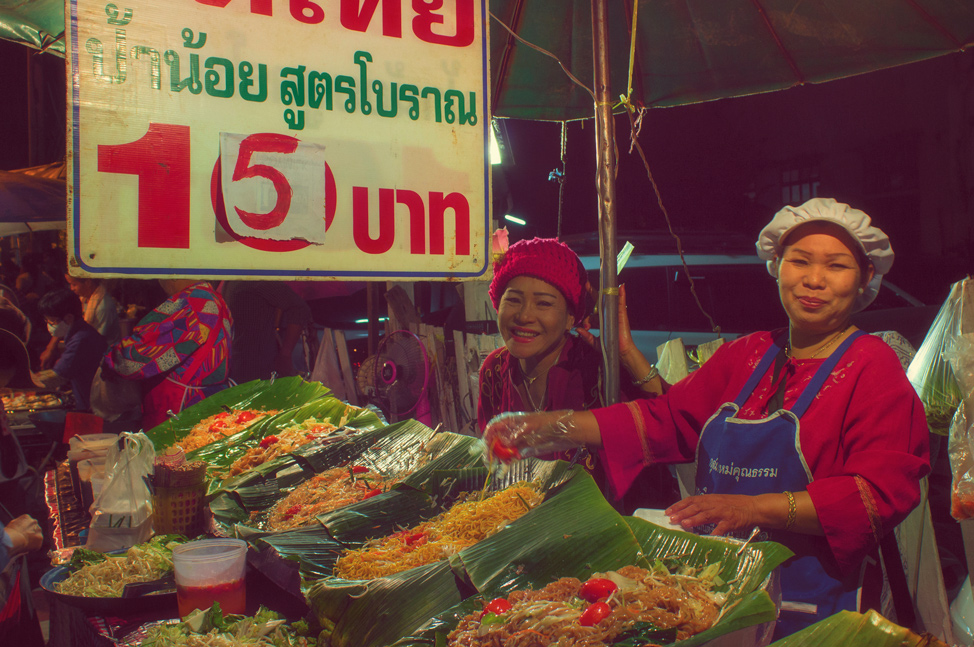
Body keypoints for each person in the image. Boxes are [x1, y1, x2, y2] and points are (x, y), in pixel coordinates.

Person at [484, 199, 930, 638]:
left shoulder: (873, 366)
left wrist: (753, 508)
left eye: (836, 266)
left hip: (815, 601)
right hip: (720, 592)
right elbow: (667, 418)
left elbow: (876, 493)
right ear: (778, 265)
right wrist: (548, 426)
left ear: (865, 277)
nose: (814, 279)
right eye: (800, 261)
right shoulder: (749, 354)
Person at [479, 237, 676, 508]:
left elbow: (668, 422)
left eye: (544, 303)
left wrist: (627, 353)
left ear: (571, 317)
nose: (524, 316)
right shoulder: (493, 371)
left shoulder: (597, 368)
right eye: (513, 300)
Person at [103, 279, 233, 430]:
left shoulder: (191, 302)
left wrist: (110, 358)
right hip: (209, 403)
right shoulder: (216, 299)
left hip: (180, 411)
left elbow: (135, 360)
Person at [221, 280, 312, 383]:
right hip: (235, 366)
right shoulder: (230, 279)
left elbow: (299, 308)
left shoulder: (255, 280)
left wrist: (285, 354)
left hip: (258, 368)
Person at [32, 289, 107, 412]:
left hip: (94, 406)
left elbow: (58, 376)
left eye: (52, 321)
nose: (49, 325)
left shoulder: (81, 340)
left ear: (68, 318)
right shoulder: (79, 333)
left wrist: (18, 383)